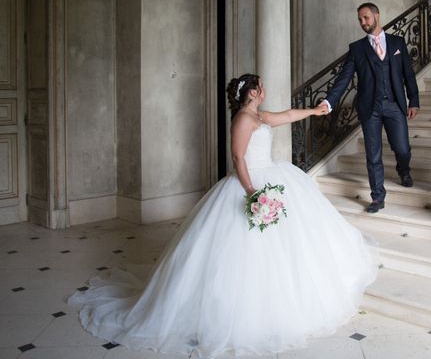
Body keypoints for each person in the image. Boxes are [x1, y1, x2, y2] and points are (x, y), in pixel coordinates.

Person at [69, 73, 377, 358]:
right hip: (251, 183)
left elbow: (284, 116)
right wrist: (252, 193)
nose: (264, 89)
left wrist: (313, 112)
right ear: (253, 92)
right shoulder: (244, 119)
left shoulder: (258, 115)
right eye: (260, 86)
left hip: (274, 177)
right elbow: (238, 157)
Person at [324, 2, 419, 214]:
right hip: (370, 108)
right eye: (360, 19)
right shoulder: (356, 49)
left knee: (402, 148)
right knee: (373, 155)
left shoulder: (397, 43)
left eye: (366, 17)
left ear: (376, 15)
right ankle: (377, 197)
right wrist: (329, 101)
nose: (363, 22)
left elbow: (408, 74)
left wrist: (413, 100)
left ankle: (403, 170)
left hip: (394, 104)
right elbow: (344, 78)